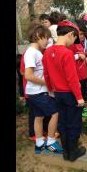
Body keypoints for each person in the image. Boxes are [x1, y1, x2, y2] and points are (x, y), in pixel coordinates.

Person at [42, 20, 86, 161]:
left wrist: (50, 89)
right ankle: (73, 152)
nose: (73, 42)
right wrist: (79, 97)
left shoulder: (48, 52)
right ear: (70, 34)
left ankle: (66, 151)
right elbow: (72, 78)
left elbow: (46, 73)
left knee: (62, 121)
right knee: (74, 122)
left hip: (57, 93)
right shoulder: (67, 53)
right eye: (74, 39)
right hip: (70, 94)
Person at [24, 23, 63, 154]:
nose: (48, 41)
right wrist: (47, 83)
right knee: (55, 112)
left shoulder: (36, 52)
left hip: (35, 92)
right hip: (38, 92)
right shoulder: (31, 53)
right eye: (47, 38)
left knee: (39, 116)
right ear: (38, 36)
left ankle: (39, 143)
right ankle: (51, 142)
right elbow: (28, 75)